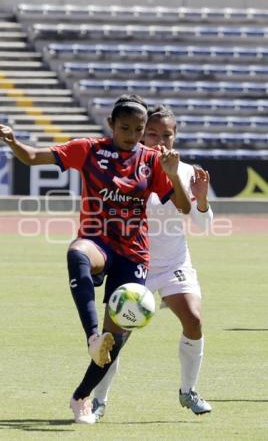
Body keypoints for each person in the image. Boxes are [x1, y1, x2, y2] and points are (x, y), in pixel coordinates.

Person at [0, 95, 191, 424]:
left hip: (134, 253)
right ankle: (91, 338)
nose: (132, 134)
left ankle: (81, 397)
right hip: (97, 240)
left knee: (116, 339)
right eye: (125, 127)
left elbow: (184, 208)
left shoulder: (152, 161)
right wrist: (14, 141)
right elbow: (31, 157)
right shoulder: (89, 149)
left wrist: (172, 175)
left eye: (139, 129)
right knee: (77, 253)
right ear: (111, 124)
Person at [92, 105, 213, 421]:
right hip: (134, 265)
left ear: (175, 136)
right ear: (141, 134)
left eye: (167, 134)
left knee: (194, 319)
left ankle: (189, 392)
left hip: (174, 263)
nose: (161, 140)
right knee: (115, 338)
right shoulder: (125, 169)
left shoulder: (187, 172)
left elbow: (203, 226)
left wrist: (201, 200)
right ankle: (98, 400)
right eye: (153, 134)